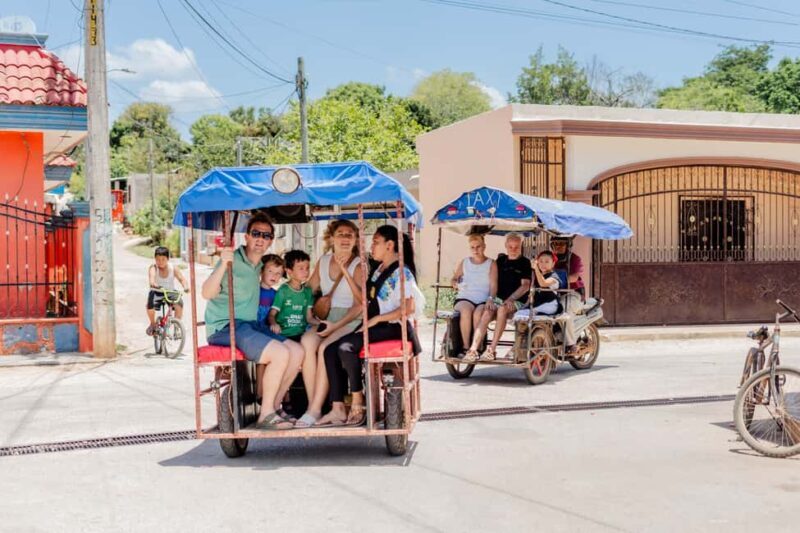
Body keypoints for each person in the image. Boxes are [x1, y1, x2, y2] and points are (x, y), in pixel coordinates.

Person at [202, 213, 304, 430]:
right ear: (246, 236)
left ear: (270, 241)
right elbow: (206, 293)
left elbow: (280, 276)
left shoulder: (261, 266)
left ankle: (273, 408)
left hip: (249, 325)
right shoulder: (231, 259)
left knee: (297, 352)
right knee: (279, 353)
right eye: (256, 233)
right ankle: (265, 414)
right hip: (225, 326)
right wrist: (223, 263)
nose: (260, 238)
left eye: (266, 235)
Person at [317, 225, 422, 427]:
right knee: (329, 351)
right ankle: (337, 408)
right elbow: (364, 299)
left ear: (389, 245)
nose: (371, 245)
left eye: (375, 242)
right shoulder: (378, 270)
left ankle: (358, 400)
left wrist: (376, 320)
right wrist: (345, 273)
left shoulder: (402, 272)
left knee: (344, 348)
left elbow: (408, 308)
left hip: (392, 326)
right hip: (376, 326)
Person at [295, 219, 364, 428]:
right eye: (341, 234)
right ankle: (313, 403)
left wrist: (336, 326)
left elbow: (360, 306)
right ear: (331, 238)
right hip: (327, 317)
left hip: (350, 318)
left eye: (349, 235)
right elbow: (309, 289)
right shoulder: (323, 261)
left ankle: (316, 409)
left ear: (355, 240)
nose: (345, 238)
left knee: (325, 347)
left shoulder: (359, 264)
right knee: (307, 342)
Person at [464, 233, 532, 362]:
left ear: (520, 247)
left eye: (516, 247)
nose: (513, 249)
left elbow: (525, 286)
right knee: (487, 311)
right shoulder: (500, 260)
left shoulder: (525, 262)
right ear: (506, 246)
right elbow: (492, 281)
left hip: (517, 299)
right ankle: (473, 349)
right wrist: (491, 298)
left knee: (502, 310)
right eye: (510, 246)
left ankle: (492, 349)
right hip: (499, 298)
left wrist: (511, 299)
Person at [268, 249, 318, 417]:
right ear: (289, 271)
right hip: (284, 336)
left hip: (300, 335)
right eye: (301, 268)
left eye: (307, 267)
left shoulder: (307, 293)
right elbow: (272, 315)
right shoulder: (283, 291)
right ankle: (281, 401)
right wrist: (274, 324)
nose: (306, 271)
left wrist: (321, 324)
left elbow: (309, 318)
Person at [451, 233, 497, 354]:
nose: (475, 250)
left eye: (478, 246)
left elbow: (493, 284)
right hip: (465, 297)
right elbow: (454, 278)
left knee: (478, 313)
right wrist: (455, 283)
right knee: (466, 311)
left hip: (483, 299)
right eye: (472, 247)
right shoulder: (465, 262)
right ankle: (466, 347)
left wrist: (491, 298)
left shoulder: (491, 263)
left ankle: (477, 345)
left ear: (484, 246)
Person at [254, 254, 284, 406]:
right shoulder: (253, 291)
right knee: (262, 358)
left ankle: (282, 396)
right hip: (253, 329)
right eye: (271, 271)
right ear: (261, 271)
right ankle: (260, 393)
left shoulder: (276, 294)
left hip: (266, 329)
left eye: (278, 273)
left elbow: (275, 315)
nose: (274, 276)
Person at [550, 236, 583, 354]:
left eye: (561, 243)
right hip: (554, 294)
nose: (558, 246)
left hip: (572, 294)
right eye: (555, 244)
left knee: (563, 310)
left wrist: (557, 281)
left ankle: (571, 344)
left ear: (568, 245)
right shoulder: (550, 259)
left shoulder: (574, 259)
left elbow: (574, 277)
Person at [146, 246, 189, 336]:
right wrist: (154, 284)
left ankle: (177, 326)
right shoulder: (153, 268)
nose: (160, 262)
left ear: (168, 259)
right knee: (150, 305)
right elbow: (152, 279)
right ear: (155, 259)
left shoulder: (173, 268)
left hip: (170, 292)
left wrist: (185, 287)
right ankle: (153, 324)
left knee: (179, 304)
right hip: (157, 291)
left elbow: (182, 279)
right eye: (158, 259)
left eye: (163, 259)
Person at [530, 251, 562, 315]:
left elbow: (543, 283)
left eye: (547, 262)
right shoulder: (537, 276)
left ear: (553, 263)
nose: (543, 264)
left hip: (549, 305)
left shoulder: (554, 277)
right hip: (538, 305)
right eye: (540, 261)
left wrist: (536, 268)